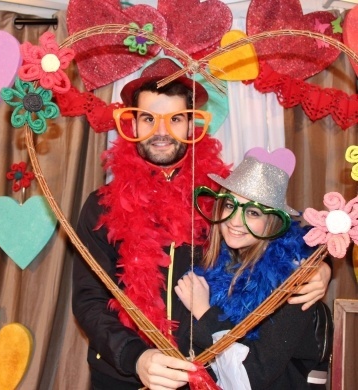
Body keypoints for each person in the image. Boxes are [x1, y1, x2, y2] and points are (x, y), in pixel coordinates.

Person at [72, 57, 331, 390]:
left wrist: (318, 268)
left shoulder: (221, 195)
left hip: (204, 372)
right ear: (133, 124)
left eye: (175, 119)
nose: (161, 131)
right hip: (123, 375)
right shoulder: (100, 205)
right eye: (148, 118)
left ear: (192, 124)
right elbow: (89, 299)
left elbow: (279, 233)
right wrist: (135, 357)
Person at [175, 147, 332, 389]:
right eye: (229, 206)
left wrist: (204, 312)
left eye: (252, 212)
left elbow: (250, 377)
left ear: (274, 222)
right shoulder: (212, 265)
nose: (235, 221)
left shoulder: (293, 283)